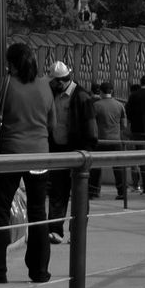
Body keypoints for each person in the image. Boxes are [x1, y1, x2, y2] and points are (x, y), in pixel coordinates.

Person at [0, 42, 54, 284]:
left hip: (11, 154)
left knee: (0, 209)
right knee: (38, 211)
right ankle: (39, 270)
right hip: (40, 155)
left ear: (14, 64)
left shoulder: (6, 84)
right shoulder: (45, 86)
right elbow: (53, 124)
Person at [47, 61, 98, 243]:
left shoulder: (82, 97)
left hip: (78, 151)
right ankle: (55, 230)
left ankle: (77, 233)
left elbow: (91, 127)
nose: (51, 85)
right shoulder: (53, 93)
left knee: (79, 193)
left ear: (61, 81)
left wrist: (87, 150)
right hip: (58, 150)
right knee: (57, 192)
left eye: (54, 82)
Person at [89, 82, 128, 201]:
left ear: (100, 91)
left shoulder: (96, 105)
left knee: (96, 167)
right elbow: (124, 125)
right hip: (116, 140)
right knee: (118, 168)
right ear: (112, 91)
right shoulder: (120, 105)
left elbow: (92, 124)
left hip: (100, 140)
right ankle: (122, 192)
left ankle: (93, 191)